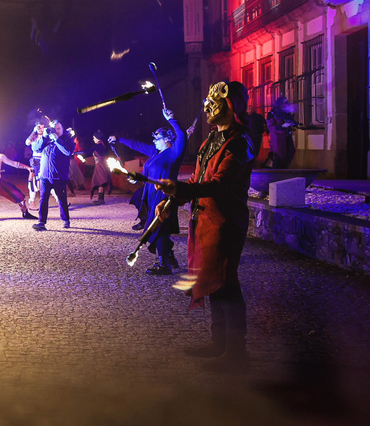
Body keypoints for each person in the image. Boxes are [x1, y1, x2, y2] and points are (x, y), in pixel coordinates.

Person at [155, 81, 255, 372]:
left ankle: (236, 353)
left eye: (215, 102)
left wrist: (180, 190)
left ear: (231, 107)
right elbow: (197, 179)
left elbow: (219, 184)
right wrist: (171, 201)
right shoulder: (211, 138)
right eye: (208, 102)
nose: (208, 107)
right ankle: (218, 342)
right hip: (204, 221)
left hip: (225, 222)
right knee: (212, 282)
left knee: (226, 283)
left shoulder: (240, 142)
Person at [111, 108, 187, 275]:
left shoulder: (174, 152)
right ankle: (169, 258)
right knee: (159, 226)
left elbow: (182, 135)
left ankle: (163, 264)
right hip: (150, 194)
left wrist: (172, 120)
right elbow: (137, 145)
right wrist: (119, 139)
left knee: (158, 226)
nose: (154, 141)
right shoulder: (155, 152)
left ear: (167, 139)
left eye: (157, 138)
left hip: (164, 195)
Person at [28, 119, 75, 231]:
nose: (56, 130)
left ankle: (66, 220)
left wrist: (57, 139)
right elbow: (35, 148)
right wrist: (44, 137)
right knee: (43, 199)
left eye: (58, 128)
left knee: (62, 199)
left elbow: (68, 152)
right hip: (45, 175)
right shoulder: (47, 140)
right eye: (54, 129)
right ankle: (41, 222)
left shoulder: (67, 140)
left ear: (62, 129)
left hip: (59, 175)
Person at [83, 132, 116, 205]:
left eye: (94, 138)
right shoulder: (101, 145)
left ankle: (101, 199)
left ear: (97, 138)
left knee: (100, 181)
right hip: (100, 165)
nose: (93, 139)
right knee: (99, 181)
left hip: (101, 165)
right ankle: (100, 199)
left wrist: (75, 152)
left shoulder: (99, 145)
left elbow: (87, 151)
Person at [266, 97, 298, 168]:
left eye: (286, 103)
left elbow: (291, 121)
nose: (285, 104)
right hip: (278, 138)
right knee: (278, 156)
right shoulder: (273, 113)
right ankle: (276, 171)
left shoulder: (286, 113)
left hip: (287, 137)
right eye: (283, 103)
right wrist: (282, 126)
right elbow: (270, 127)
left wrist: (293, 123)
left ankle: (284, 170)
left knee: (289, 153)